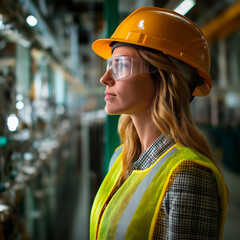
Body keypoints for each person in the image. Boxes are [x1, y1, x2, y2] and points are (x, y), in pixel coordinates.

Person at [90, 7, 228, 240]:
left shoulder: (188, 176)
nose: (105, 78)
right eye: (109, 64)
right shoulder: (120, 158)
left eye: (121, 65)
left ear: (165, 78)